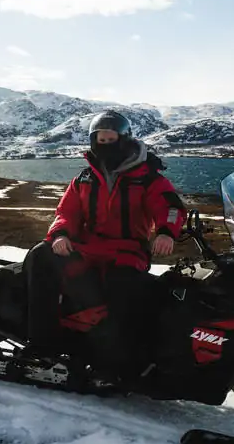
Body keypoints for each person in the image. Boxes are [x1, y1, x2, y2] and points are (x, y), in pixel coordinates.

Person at [24, 110, 187, 379]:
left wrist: (167, 233)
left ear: (124, 139)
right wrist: (61, 235)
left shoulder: (147, 177)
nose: (105, 144)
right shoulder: (85, 178)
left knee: (122, 288)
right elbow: (66, 212)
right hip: (87, 247)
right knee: (41, 256)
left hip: (128, 250)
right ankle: (43, 343)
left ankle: (118, 360)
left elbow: (170, 207)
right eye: (100, 139)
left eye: (111, 139)